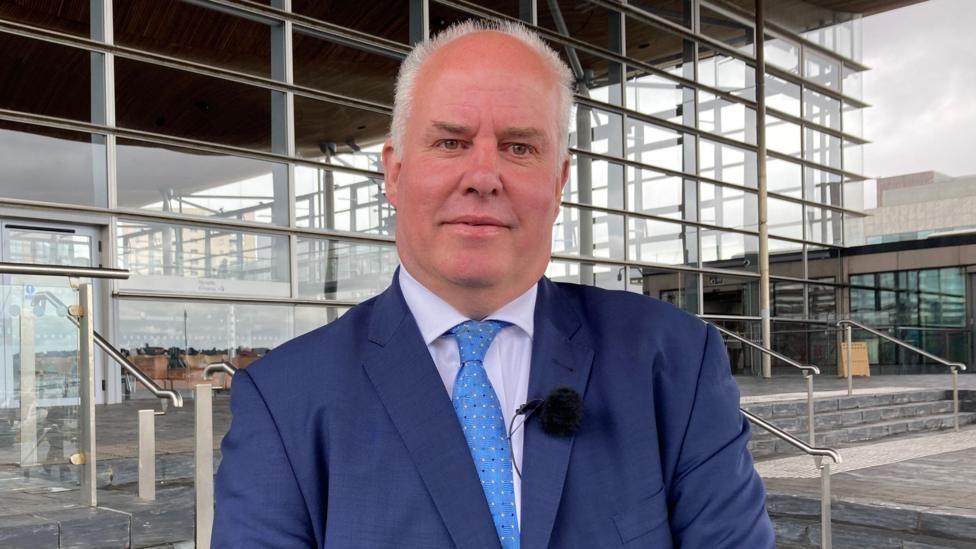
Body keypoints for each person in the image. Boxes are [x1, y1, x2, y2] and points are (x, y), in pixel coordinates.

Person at [213, 20, 774, 548]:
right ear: (395, 172)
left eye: (520, 147)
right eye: (451, 142)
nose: (483, 177)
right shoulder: (285, 399)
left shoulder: (673, 361)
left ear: (558, 182)